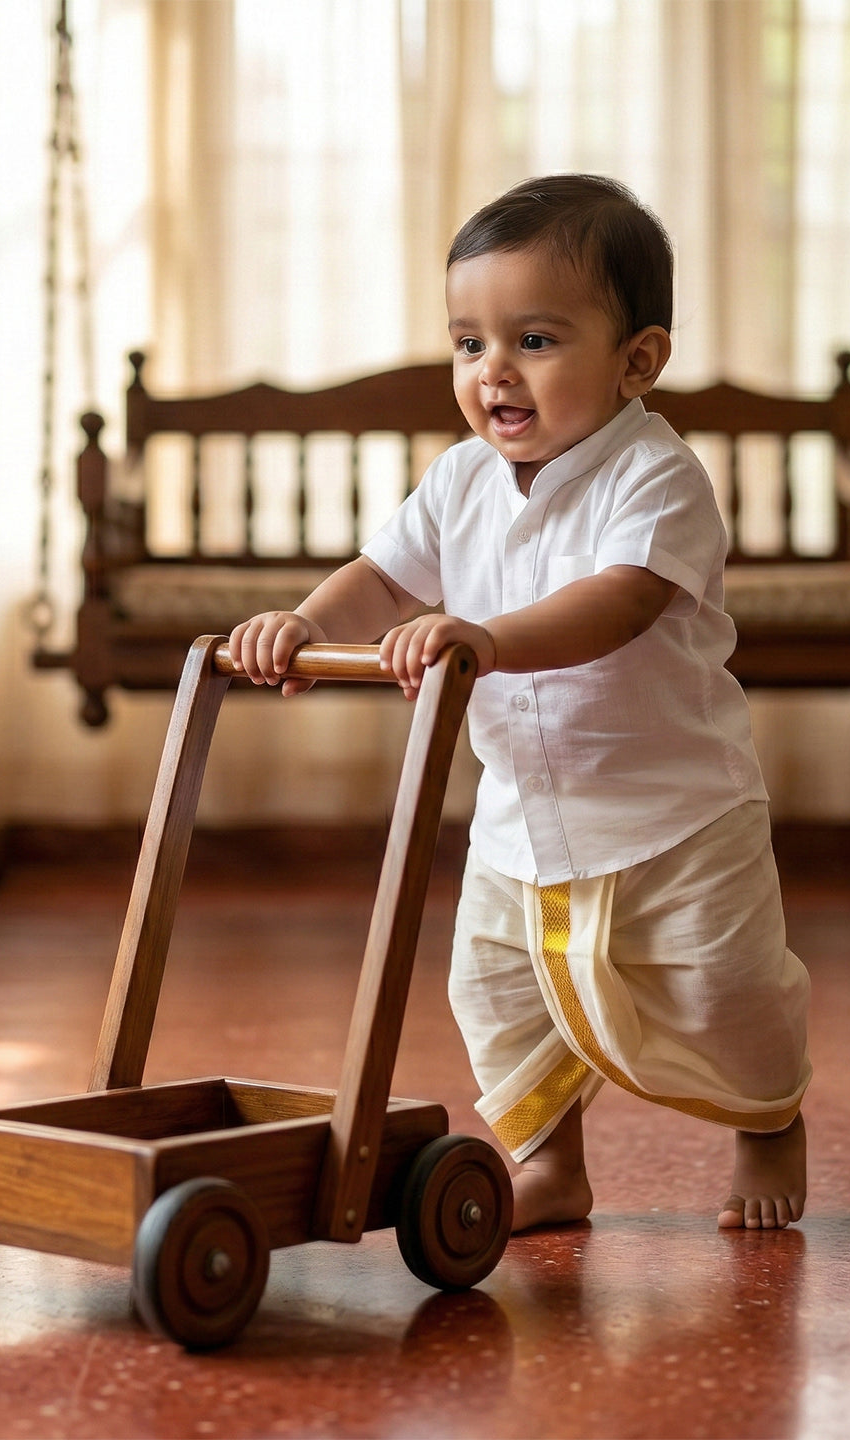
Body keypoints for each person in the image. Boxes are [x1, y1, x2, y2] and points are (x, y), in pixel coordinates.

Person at [229, 174, 809, 1233]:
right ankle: (548, 1162)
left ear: (638, 359)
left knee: (724, 985)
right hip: (522, 818)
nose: (493, 370)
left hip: (675, 810)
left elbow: (621, 603)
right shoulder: (458, 480)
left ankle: (767, 1118)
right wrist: (308, 623)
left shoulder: (656, 477)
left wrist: (487, 639)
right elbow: (384, 576)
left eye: (535, 339)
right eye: (468, 344)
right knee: (494, 992)